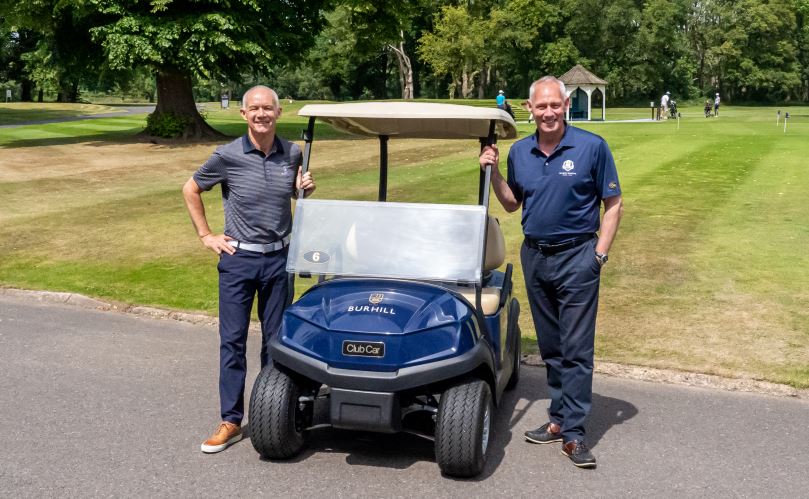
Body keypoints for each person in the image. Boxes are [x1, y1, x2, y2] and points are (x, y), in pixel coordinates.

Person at [479, 76, 623, 469]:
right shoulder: (520, 152)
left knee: (576, 349)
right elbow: (512, 204)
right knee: (552, 346)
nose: (548, 113)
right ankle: (559, 419)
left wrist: (599, 255)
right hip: (536, 256)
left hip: (578, 257)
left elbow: (613, 203)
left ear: (565, 104)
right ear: (529, 109)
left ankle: (575, 434)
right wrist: (492, 173)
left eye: (554, 105)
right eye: (540, 106)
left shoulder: (592, 147)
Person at [182, 85, 316, 454]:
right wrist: (207, 235)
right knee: (233, 342)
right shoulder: (226, 155)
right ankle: (230, 420)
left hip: (279, 260)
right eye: (254, 109)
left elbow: (292, 195)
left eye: (268, 108)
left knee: (275, 342)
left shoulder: (292, 152)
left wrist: (304, 188)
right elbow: (190, 189)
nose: (261, 114)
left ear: (278, 113)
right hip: (239, 261)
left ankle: (272, 412)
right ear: (244, 115)